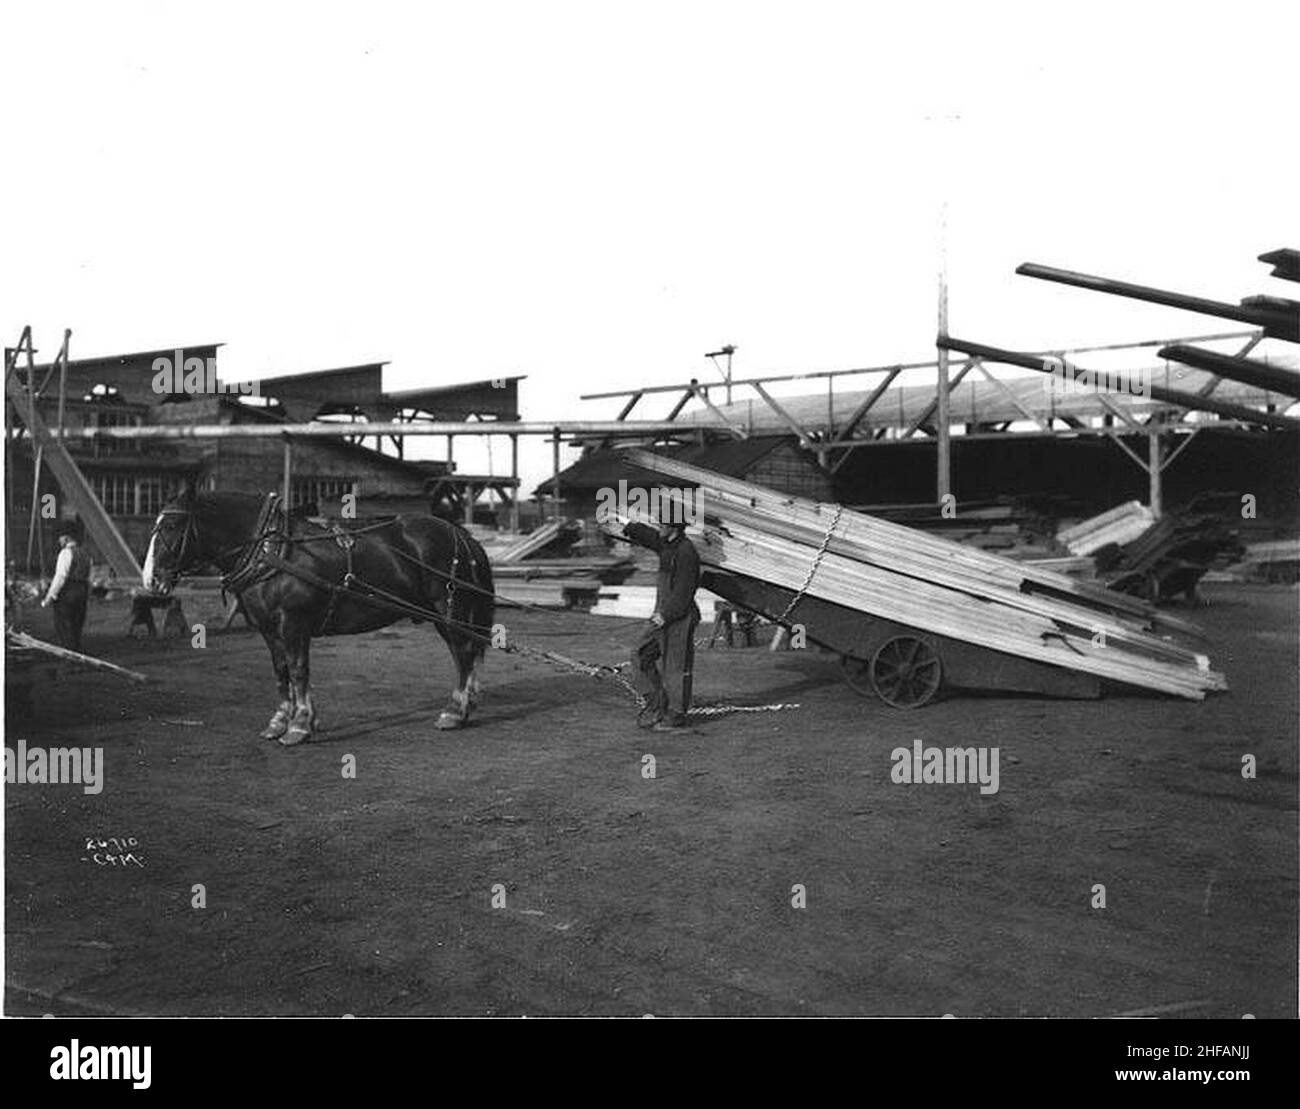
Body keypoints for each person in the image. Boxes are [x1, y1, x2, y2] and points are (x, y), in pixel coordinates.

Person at [623, 511, 701, 730]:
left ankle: (675, 716)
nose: (659, 528)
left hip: (679, 617)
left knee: (675, 667)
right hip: (662, 616)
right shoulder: (667, 544)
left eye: (662, 525)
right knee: (640, 654)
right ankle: (656, 703)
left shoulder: (686, 552)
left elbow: (684, 591)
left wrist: (664, 615)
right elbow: (650, 537)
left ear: (673, 527)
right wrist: (628, 525)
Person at [40, 531, 93, 653]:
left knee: (63, 623)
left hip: (68, 591)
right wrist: (87, 594)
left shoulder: (65, 553)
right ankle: (76, 651)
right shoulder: (86, 555)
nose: (59, 541)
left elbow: (60, 577)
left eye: (61, 538)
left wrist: (49, 597)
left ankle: (67, 652)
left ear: (67, 538)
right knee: (77, 623)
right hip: (82, 590)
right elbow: (90, 578)